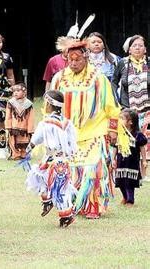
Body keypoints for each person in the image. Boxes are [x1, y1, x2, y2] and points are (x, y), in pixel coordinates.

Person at [50, 40, 130, 219]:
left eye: (77, 59)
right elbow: (52, 105)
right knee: (70, 170)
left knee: (92, 170)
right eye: (70, 59)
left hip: (95, 130)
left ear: (86, 57)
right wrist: (51, 127)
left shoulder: (98, 78)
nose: (74, 63)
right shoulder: (59, 78)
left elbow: (111, 106)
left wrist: (112, 129)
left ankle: (93, 205)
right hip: (69, 133)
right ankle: (73, 202)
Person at [25, 90, 77, 227]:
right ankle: (49, 202)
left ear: (49, 104)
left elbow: (37, 138)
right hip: (61, 159)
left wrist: (29, 147)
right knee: (52, 183)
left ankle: (65, 215)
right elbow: (72, 142)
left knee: (53, 184)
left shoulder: (46, 122)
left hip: (52, 159)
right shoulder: (67, 122)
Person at [112, 35, 150, 130]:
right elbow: (114, 82)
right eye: (134, 45)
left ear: (145, 49)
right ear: (129, 50)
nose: (137, 48)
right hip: (127, 110)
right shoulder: (122, 63)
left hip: (148, 111)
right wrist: (115, 101)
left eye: (140, 45)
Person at [113, 109, 147, 207]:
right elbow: (116, 146)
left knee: (129, 183)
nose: (119, 120)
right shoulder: (119, 133)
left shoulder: (138, 135)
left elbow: (142, 148)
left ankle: (130, 200)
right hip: (121, 163)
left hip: (132, 164)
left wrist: (144, 161)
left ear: (130, 122)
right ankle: (125, 197)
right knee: (120, 182)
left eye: (122, 118)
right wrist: (113, 159)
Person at [5, 82, 34, 160]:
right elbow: (8, 115)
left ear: (24, 92)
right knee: (13, 142)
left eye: (18, 91)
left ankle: (24, 154)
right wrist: (8, 126)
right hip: (13, 127)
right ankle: (15, 154)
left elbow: (30, 117)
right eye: (14, 91)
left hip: (24, 127)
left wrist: (30, 129)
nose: (15, 93)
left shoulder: (28, 104)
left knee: (24, 142)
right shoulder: (11, 103)